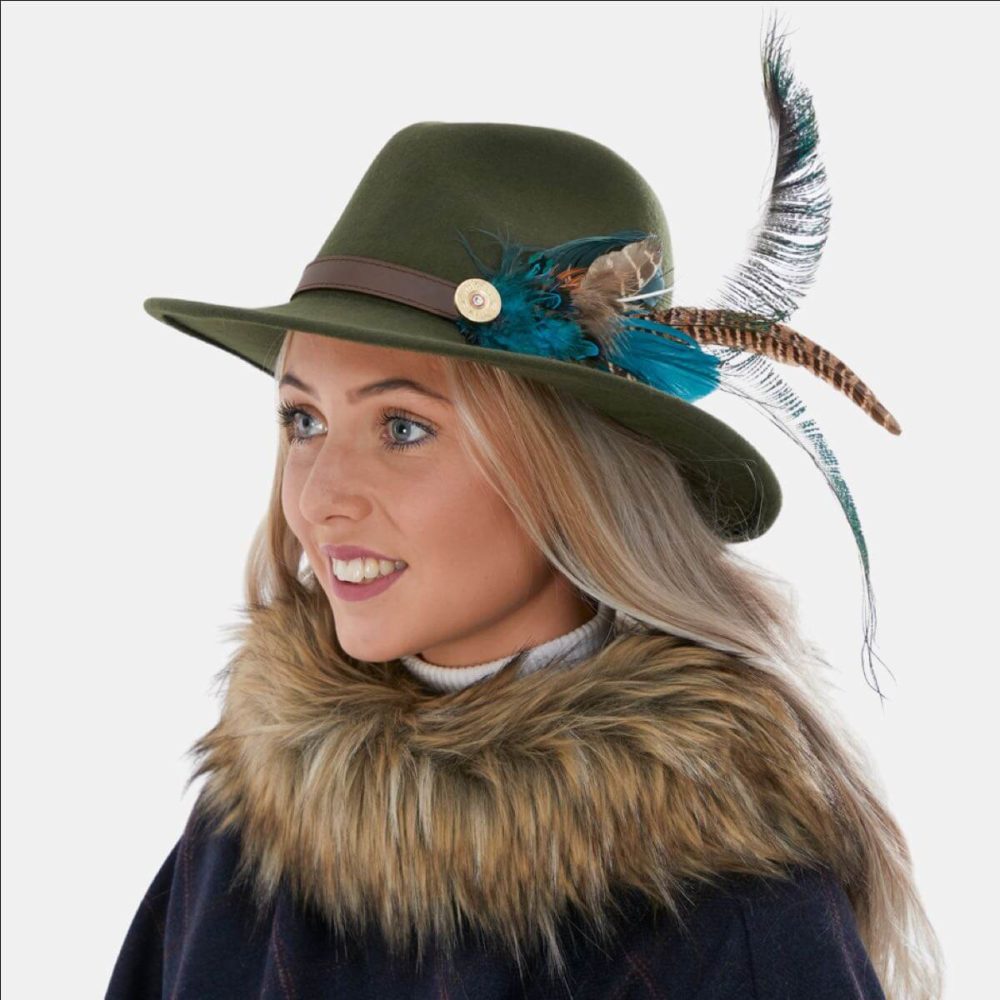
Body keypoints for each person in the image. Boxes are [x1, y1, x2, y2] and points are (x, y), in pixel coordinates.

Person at [104, 17, 944, 1000]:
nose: (319, 500)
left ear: (573, 473)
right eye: (304, 419)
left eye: (403, 427)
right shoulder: (242, 838)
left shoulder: (726, 915)